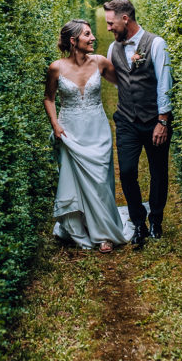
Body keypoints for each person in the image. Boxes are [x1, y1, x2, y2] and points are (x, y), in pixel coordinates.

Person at [44, 19, 133, 252]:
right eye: (87, 34)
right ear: (74, 41)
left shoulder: (100, 62)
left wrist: (133, 63)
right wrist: (55, 123)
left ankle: (104, 234)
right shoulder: (56, 67)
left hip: (97, 129)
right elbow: (49, 99)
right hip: (69, 130)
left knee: (100, 181)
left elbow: (123, 83)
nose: (93, 38)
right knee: (73, 181)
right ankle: (78, 227)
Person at [103, 0, 172, 246]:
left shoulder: (156, 44)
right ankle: (138, 223)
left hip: (155, 119)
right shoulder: (113, 49)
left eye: (111, 23)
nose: (109, 28)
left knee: (158, 171)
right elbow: (117, 79)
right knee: (128, 171)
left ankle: (156, 220)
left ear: (125, 18)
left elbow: (165, 83)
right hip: (127, 121)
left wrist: (162, 121)